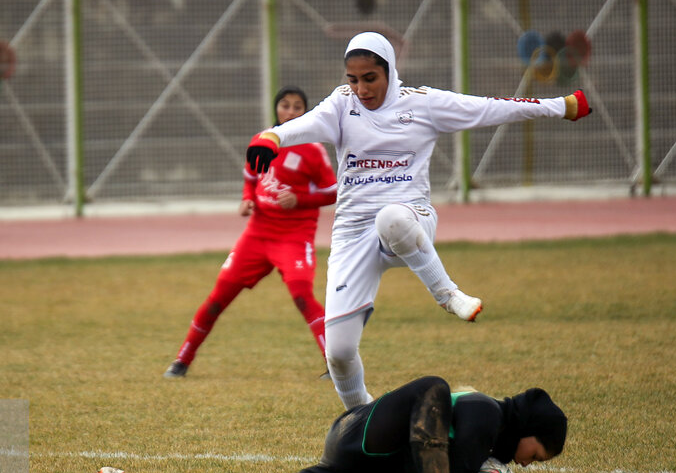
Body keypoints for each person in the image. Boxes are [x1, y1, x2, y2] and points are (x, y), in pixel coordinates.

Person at [245, 32, 591, 410]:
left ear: (390, 71)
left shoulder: (424, 104)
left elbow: (493, 107)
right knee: (339, 354)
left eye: (370, 78)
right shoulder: (341, 104)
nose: (361, 88)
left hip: (412, 221)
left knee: (391, 218)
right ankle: (361, 419)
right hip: (353, 233)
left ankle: (448, 294)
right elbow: (306, 125)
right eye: (353, 79)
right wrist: (272, 137)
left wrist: (562, 105)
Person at [90, 375, 567, 473]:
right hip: (363, 439)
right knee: (436, 388)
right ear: (531, 430)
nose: (528, 463)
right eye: (538, 454)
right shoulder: (486, 413)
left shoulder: (488, 441)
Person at [163, 86, 337, 378]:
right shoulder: (262, 142)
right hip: (257, 235)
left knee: (302, 296)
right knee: (218, 297)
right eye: (285, 105)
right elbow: (250, 177)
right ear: (276, 109)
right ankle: (182, 360)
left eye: (297, 107)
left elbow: (332, 192)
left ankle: (335, 366)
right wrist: (247, 198)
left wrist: (300, 200)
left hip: (294, 237)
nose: (291, 112)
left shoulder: (314, 151)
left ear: (306, 112)